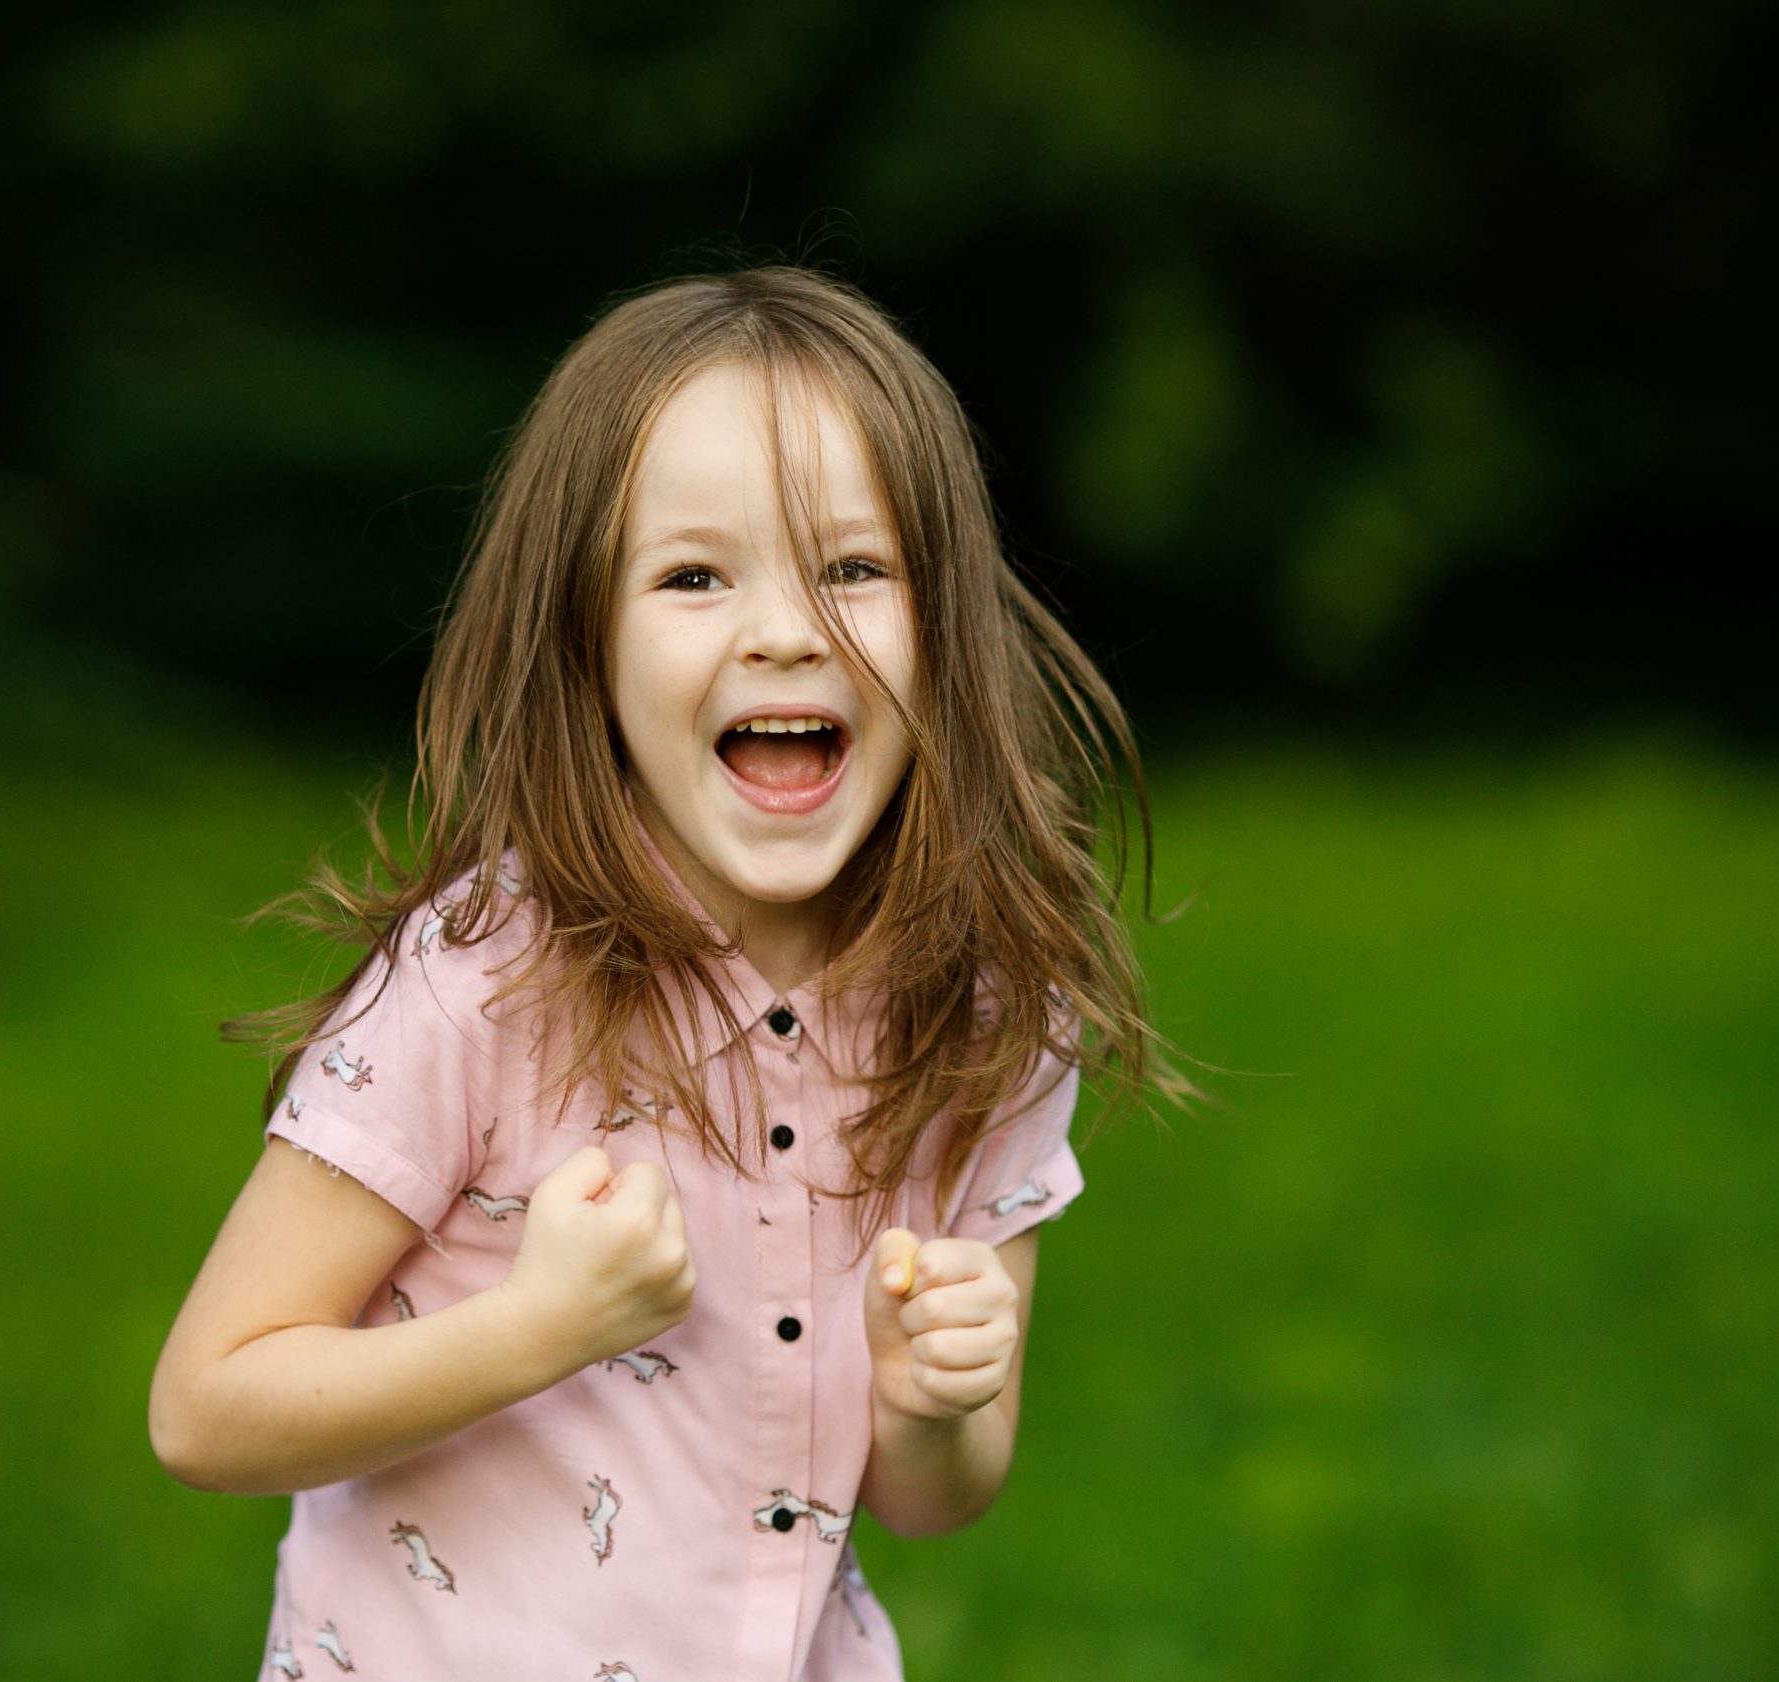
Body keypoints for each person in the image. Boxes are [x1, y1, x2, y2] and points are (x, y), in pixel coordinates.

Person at [148, 264, 1181, 1681]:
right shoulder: (483, 977)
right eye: (694, 575)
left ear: (945, 625)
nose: (783, 629)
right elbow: (205, 1406)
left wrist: (934, 1393)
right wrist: (539, 1328)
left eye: (857, 567)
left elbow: (935, 1493)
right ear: (591, 641)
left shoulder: (984, 1009)